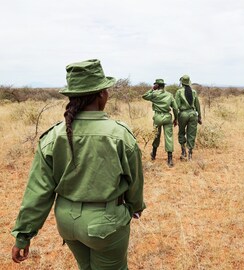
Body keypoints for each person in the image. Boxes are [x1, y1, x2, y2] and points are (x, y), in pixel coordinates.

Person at [11, 59, 145, 270]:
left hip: (67, 223)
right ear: (102, 94)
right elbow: (135, 180)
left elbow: (38, 191)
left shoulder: (54, 136)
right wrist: (135, 207)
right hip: (105, 224)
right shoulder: (119, 134)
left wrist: (23, 235)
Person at [142, 79, 178, 167]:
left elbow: (144, 96)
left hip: (157, 117)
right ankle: (169, 159)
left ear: (156, 86)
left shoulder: (154, 94)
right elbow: (175, 108)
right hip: (167, 117)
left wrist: (152, 89)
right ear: (164, 86)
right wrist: (176, 118)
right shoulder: (169, 95)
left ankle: (153, 154)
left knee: (156, 135)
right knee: (169, 137)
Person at [175, 75, 202, 160]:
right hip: (193, 114)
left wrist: (176, 117)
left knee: (181, 132)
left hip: (183, 114)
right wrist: (199, 117)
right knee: (191, 134)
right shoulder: (193, 92)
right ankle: (190, 154)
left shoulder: (179, 92)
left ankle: (183, 152)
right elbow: (197, 105)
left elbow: (176, 106)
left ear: (182, 82)